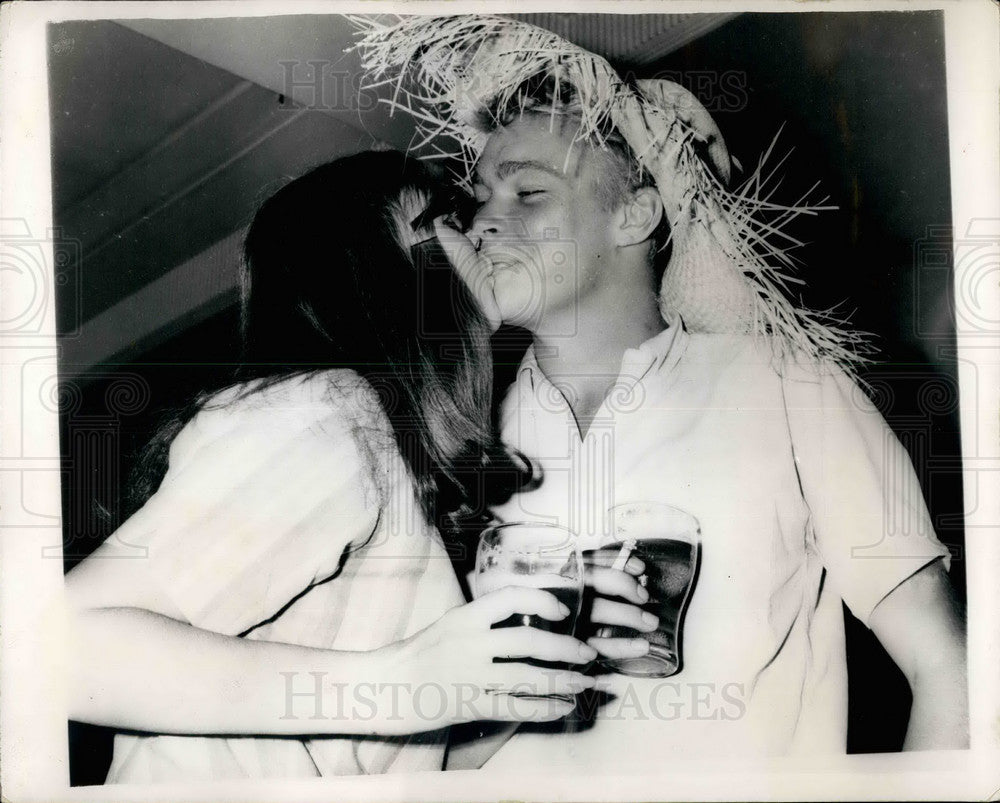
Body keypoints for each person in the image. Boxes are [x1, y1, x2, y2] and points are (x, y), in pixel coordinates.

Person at [356, 15, 969, 764]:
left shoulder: (780, 380)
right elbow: (439, 757)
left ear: (636, 213)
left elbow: (950, 670)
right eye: (482, 194)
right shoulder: (464, 434)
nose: (483, 218)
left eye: (529, 192)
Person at [63, 150, 627, 783]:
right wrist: (406, 677)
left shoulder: (382, 452)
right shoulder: (331, 414)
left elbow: (385, 753)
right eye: (451, 221)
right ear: (370, 265)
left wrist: (541, 658)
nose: (481, 235)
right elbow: (53, 648)